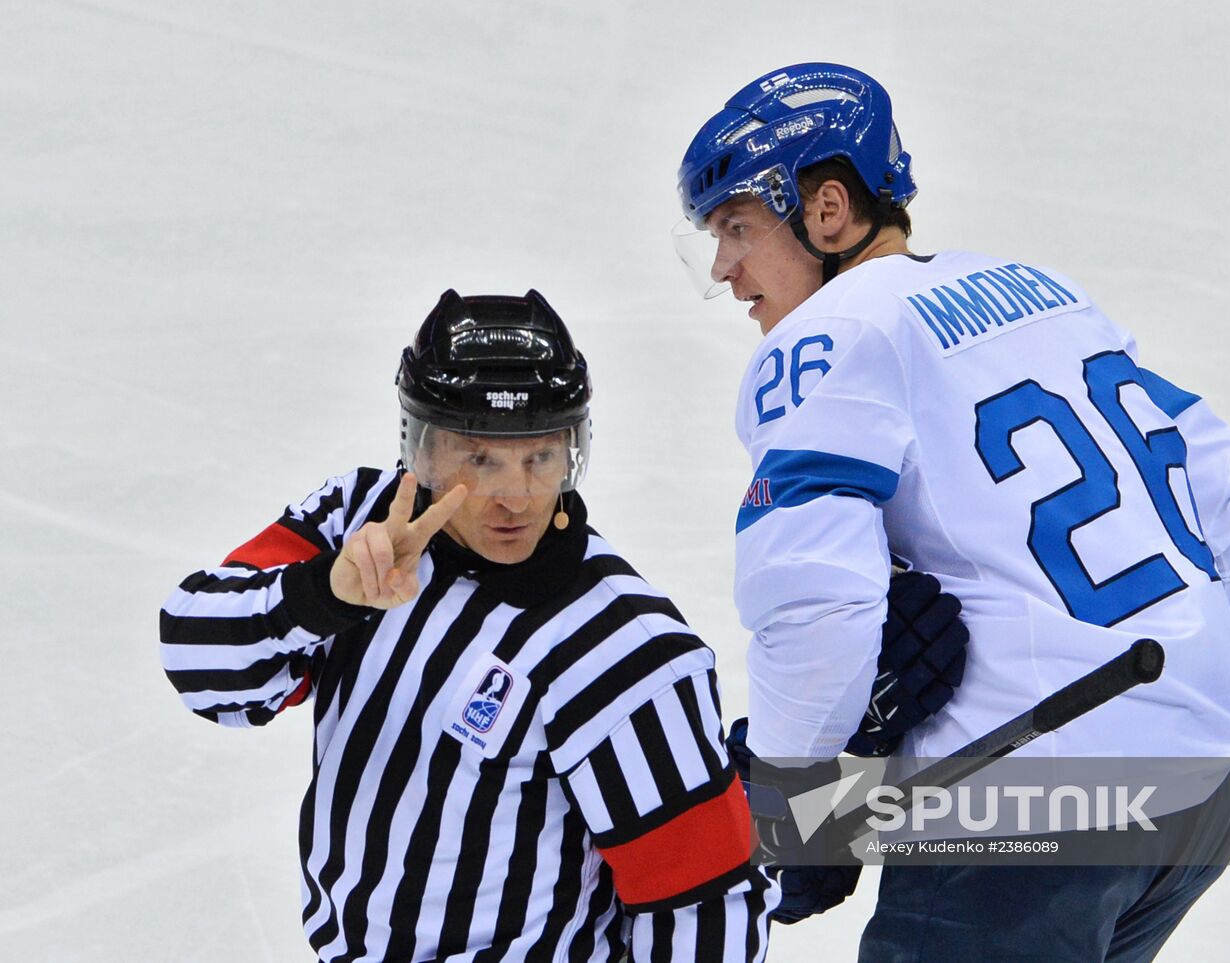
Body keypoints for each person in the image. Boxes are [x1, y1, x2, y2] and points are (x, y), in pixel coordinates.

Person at [672, 63, 1230, 961]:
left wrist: (790, 797)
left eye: (737, 228)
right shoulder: (1040, 288)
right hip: (1207, 787)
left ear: (827, 209)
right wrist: (1173, 687)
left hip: (1030, 810)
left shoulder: (823, 339)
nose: (724, 269)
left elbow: (815, 597)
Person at [161, 288, 783, 962]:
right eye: (480, 459)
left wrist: (872, 805)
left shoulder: (625, 651)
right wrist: (323, 595)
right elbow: (197, 661)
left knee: (874, 808)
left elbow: (706, 901)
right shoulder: (361, 522)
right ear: (423, 453)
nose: (514, 496)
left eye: (539, 458)